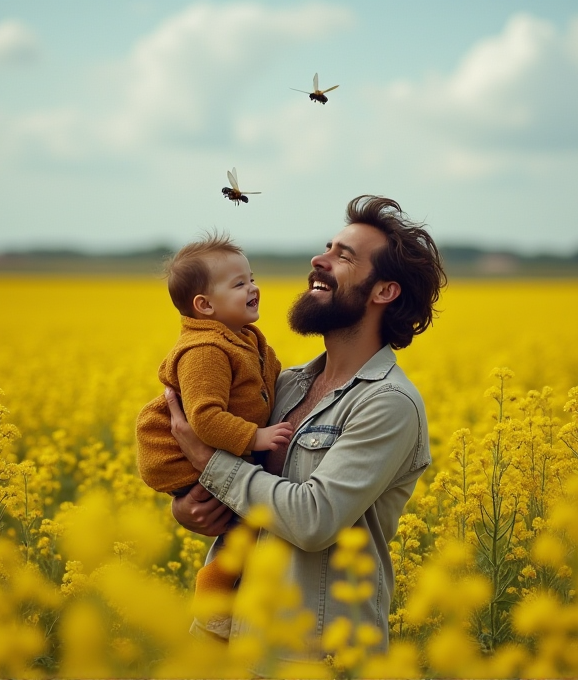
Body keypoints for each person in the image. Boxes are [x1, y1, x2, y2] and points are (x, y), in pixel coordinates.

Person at [167, 195, 447, 666]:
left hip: (311, 658)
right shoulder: (285, 384)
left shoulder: (388, 404)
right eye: (327, 247)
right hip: (230, 641)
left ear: (384, 292)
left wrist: (208, 462)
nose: (320, 260)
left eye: (344, 256)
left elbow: (312, 520)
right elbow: (243, 495)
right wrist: (187, 507)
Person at [135, 232, 293, 636]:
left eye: (252, 278)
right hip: (178, 459)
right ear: (204, 306)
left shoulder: (244, 339)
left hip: (218, 455)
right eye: (239, 284)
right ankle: (214, 597)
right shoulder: (204, 350)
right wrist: (255, 439)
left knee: (253, 522)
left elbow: (266, 381)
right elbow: (204, 419)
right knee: (246, 528)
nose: (253, 287)